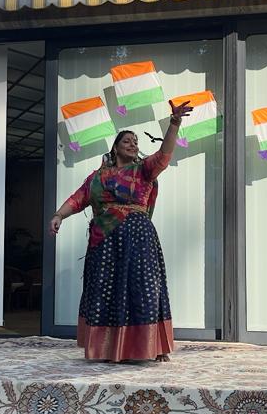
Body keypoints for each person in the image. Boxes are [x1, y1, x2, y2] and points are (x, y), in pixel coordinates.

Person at [51, 100, 192, 363]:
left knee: (143, 287)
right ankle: (106, 348)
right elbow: (78, 199)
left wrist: (174, 123)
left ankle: (151, 346)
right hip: (104, 240)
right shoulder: (97, 177)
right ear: (115, 147)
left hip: (138, 237)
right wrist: (59, 215)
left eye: (136, 141)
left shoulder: (143, 170)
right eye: (127, 141)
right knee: (105, 289)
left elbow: (164, 155)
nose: (133, 144)